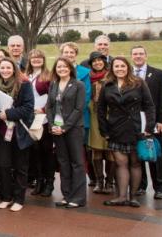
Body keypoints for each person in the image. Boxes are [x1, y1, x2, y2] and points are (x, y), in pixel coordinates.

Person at [98, 56, 155, 208]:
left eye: (122, 66)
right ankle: (121, 196)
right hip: (115, 129)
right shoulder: (107, 85)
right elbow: (101, 109)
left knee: (135, 164)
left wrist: (149, 127)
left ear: (128, 67)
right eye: (116, 66)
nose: (120, 69)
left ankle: (133, 197)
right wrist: (104, 130)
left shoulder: (138, 83)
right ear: (112, 68)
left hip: (136, 129)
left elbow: (149, 105)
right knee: (120, 163)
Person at [0, 58, 34, 212]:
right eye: (2, 67)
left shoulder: (24, 84)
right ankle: (6, 197)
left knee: (20, 167)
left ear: (14, 69)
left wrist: (8, 114)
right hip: (2, 133)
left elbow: (28, 108)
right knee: (3, 165)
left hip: (20, 132)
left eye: (8, 67)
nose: (5, 70)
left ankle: (19, 199)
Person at [131, 45, 162, 199]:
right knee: (138, 154)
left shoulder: (159, 74)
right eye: (135, 54)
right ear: (132, 57)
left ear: (146, 56)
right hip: (135, 122)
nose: (138, 56)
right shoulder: (129, 75)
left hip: (153, 121)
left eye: (141, 54)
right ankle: (141, 185)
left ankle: (160, 186)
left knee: (156, 154)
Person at [47, 57, 87, 208]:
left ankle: (78, 198)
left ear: (70, 68)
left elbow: (79, 109)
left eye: (64, 66)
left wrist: (65, 127)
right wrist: (52, 125)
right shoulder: (54, 84)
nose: (61, 69)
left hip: (73, 129)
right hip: (56, 130)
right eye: (58, 67)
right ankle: (67, 195)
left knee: (77, 162)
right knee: (63, 162)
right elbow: (49, 106)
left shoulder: (79, 85)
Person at [59, 42, 93, 186]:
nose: (69, 55)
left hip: (78, 120)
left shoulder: (84, 73)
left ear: (76, 54)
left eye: (72, 52)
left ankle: (78, 186)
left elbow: (85, 98)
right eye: (66, 52)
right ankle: (68, 187)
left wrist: (70, 118)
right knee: (63, 157)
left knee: (78, 155)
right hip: (60, 120)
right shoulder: (58, 71)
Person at [24, 49, 55, 197]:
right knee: (34, 152)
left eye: (39, 58)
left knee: (46, 151)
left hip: (44, 119)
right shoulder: (26, 75)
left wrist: (43, 109)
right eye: (33, 58)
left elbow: (54, 97)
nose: (36, 60)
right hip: (29, 119)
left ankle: (49, 183)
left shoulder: (49, 76)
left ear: (43, 59)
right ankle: (39, 181)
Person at [87, 51, 114, 195]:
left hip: (110, 115)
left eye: (100, 60)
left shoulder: (111, 76)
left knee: (110, 149)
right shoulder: (89, 77)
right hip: (94, 114)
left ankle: (110, 182)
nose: (97, 63)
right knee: (96, 149)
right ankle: (99, 181)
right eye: (94, 61)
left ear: (104, 62)